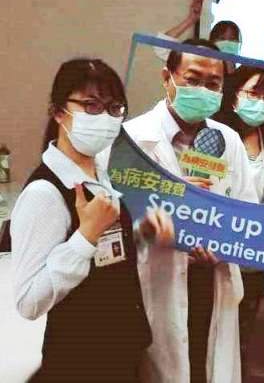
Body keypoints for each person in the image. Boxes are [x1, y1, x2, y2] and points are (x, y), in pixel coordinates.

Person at [10, 59, 174, 382]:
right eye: (91, 105)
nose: (105, 117)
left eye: (114, 108)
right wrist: (84, 237)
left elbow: (105, 257)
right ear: (58, 112)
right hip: (80, 363)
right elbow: (28, 302)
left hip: (122, 351)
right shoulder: (44, 193)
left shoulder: (100, 171)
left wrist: (141, 234)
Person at [123, 38, 257, 383]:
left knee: (206, 367)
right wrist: (170, 207)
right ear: (167, 78)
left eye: (213, 84)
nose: (203, 90)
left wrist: (224, 246)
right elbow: (117, 227)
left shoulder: (228, 141)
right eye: (193, 80)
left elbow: (248, 213)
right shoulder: (132, 140)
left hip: (213, 278)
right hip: (157, 280)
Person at [211, 65, 264, 380]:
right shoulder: (216, 137)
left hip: (258, 257)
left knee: (244, 330)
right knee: (217, 329)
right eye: (254, 93)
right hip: (221, 252)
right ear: (233, 96)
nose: (262, 103)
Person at [154, 0, 242, 62]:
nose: (227, 42)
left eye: (232, 39)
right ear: (212, 42)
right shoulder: (197, 63)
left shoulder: (245, 74)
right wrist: (190, 20)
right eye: (222, 38)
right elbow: (162, 48)